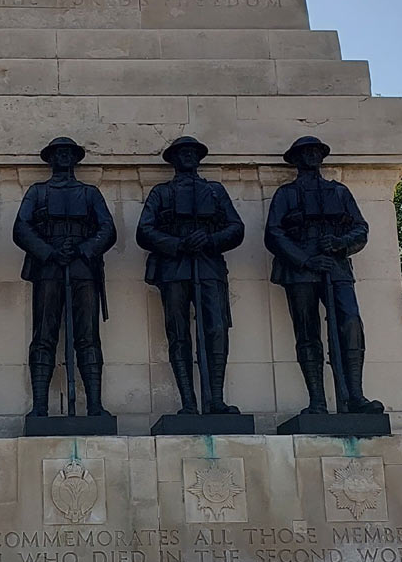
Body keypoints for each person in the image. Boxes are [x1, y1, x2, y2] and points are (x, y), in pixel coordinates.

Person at [264, 135, 384, 415]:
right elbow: (273, 233)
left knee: (350, 323)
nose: (313, 156)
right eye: (306, 152)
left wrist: (341, 244)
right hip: (301, 270)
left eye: (317, 151)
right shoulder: (285, 194)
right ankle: (317, 400)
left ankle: (355, 396)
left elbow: (360, 228)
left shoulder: (339, 192)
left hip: (336, 266)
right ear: (296, 158)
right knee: (307, 332)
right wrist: (305, 260)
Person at [137, 136, 245, 414]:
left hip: (208, 265)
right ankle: (188, 402)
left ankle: (215, 400)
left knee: (216, 329)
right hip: (174, 267)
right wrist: (177, 243)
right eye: (182, 153)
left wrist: (210, 239)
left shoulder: (215, 191)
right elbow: (144, 230)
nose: (187, 157)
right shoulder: (161, 193)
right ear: (173, 159)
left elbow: (236, 228)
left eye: (192, 153)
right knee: (179, 333)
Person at [14, 137, 116, 419]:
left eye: (68, 153)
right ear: (50, 158)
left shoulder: (90, 193)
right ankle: (40, 407)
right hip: (49, 268)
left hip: (83, 268)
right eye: (58, 153)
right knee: (44, 335)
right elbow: (21, 228)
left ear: (75, 158)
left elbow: (107, 228)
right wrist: (50, 252)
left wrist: (85, 248)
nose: (63, 157)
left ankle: (94, 406)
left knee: (87, 335)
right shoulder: (37, 192)